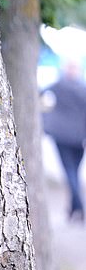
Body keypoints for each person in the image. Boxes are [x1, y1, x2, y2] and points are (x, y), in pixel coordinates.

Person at [42, 61, 86, 222]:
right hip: (79, 137)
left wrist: (46, 119)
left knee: (70, 173)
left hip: (61, 135)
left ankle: (79, 206)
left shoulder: (59, 85)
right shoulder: (83, 89)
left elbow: (40, 94)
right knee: (74, 172)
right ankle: (73, 208)